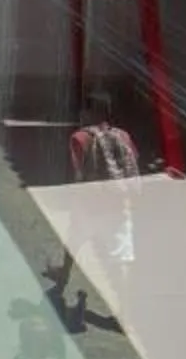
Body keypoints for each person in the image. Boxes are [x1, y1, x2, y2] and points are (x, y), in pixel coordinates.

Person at [57, 86, 141, 329]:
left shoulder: (80, 138)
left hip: (90, 205)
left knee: (73, 240)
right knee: (121, 260)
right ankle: (124, 314)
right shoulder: (123, 135)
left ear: (89, 112)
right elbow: (133, 162)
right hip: (119, 206)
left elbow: (78, 171)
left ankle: (63, 277)